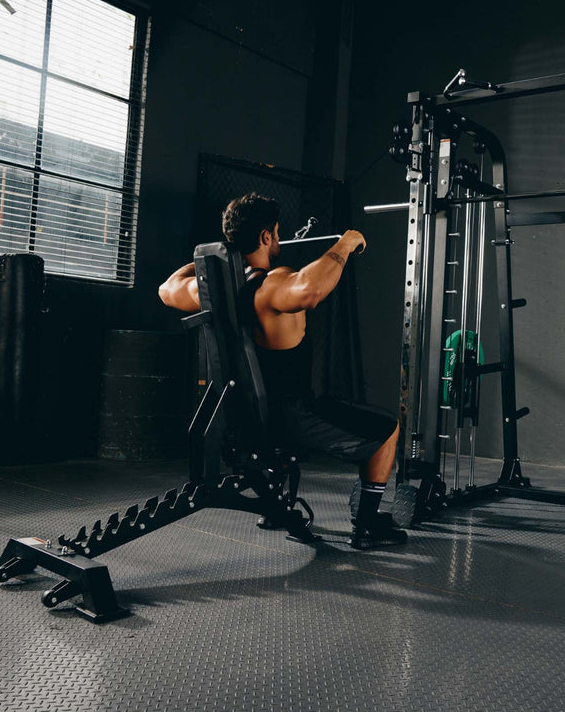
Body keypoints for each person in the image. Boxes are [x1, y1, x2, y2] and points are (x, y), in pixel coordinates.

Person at [159, 192, 407, 550]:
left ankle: (275, 508)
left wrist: (208, 261)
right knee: (387, 430)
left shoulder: (208, 291)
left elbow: (165, 289)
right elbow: (309, 290)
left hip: (240, 417)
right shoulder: (271, 283)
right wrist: (347, 243)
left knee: (287, 419)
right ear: (264, 237)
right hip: (291, 418)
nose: (278, 239)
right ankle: (368, 524)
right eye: (275, 233)